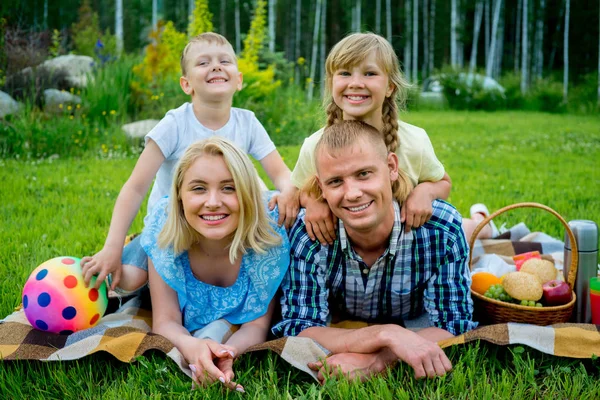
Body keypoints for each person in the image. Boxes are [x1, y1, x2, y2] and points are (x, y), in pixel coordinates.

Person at [81, 32, 297, 292]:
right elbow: (135, 187)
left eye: (224, 61)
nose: (216, 66)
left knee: (276, 229)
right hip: (174, 232)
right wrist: (112, 248)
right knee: (129, 282)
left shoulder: (247, 122)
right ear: (186, 84)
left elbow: (281, 173)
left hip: (226, 227)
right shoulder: (175, 124)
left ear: (238, 80)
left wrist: (288, 192)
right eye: (203, 63)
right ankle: (89, 270)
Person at [272, 121, 476, 382]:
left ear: (391, 167)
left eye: (364, 174)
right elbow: (299, 327)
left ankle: (481, 220)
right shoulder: (310, 233)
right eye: (335, 182)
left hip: (434, 236)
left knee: (471, 230)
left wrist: (378, 359)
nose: (353, 193)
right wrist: (386, 334)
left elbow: (454, 324)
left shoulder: (441, 230)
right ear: (320, 188)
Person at [289, 32, 493, 246]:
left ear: (390, 87)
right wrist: (312, 202)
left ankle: (482, 221)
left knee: (468, 231)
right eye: (345, 73)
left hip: (408, 239)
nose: (356, 83)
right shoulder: (316, 146)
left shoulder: (414, 141)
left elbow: (443, 183)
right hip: (349, 248)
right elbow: (295, 192)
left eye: (369, 73)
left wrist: (424, 192)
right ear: (331, 84)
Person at [142, 137, 290, 392]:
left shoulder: (269, 237)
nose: (212, 201)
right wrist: (193, 347)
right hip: (166, 238)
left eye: (229, 188)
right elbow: (165, 321)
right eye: (198, 189)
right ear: (179, 196)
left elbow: (256, 325)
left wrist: (227, 352)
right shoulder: (163, 231)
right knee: (129, 278)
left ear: (248, 195)